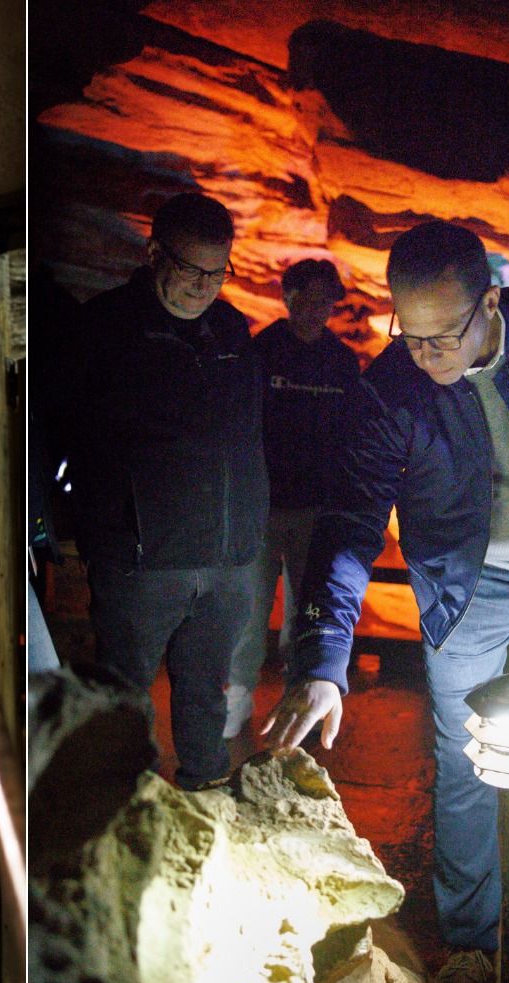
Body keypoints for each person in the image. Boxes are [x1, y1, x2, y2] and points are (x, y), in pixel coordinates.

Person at [262, 221, 509, 983]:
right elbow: (352, 521)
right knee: (463, 762)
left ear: (492, 303)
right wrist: (325, 658)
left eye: (445, 335)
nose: (426, 355)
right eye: (410, 333)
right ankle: (473, 939)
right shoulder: (390, 388)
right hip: (466, 594)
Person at [62, 191, 267, 788]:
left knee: (206, 695)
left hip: (225, 559)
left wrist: (248, 530)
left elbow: (248, 433)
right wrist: (96, 526)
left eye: (218, 270)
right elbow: (62, 425)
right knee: (126, 698)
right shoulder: (103, 328)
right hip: (141, 562)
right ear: (154, 253)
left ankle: (204, 799)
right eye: (192, 268)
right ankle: (132, 814)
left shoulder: (231, 330)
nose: (207, 284)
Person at [225, 258, 361, 745]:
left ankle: (296, 700)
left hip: (315, 512)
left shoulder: (343, 364)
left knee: (305, 613)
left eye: (326, 301)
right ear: (288, 297)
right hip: (261, 509)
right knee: (248, 609)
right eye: (308, 298)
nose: (316, 310)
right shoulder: (260, 352)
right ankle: (237, 697)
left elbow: (352, 436)